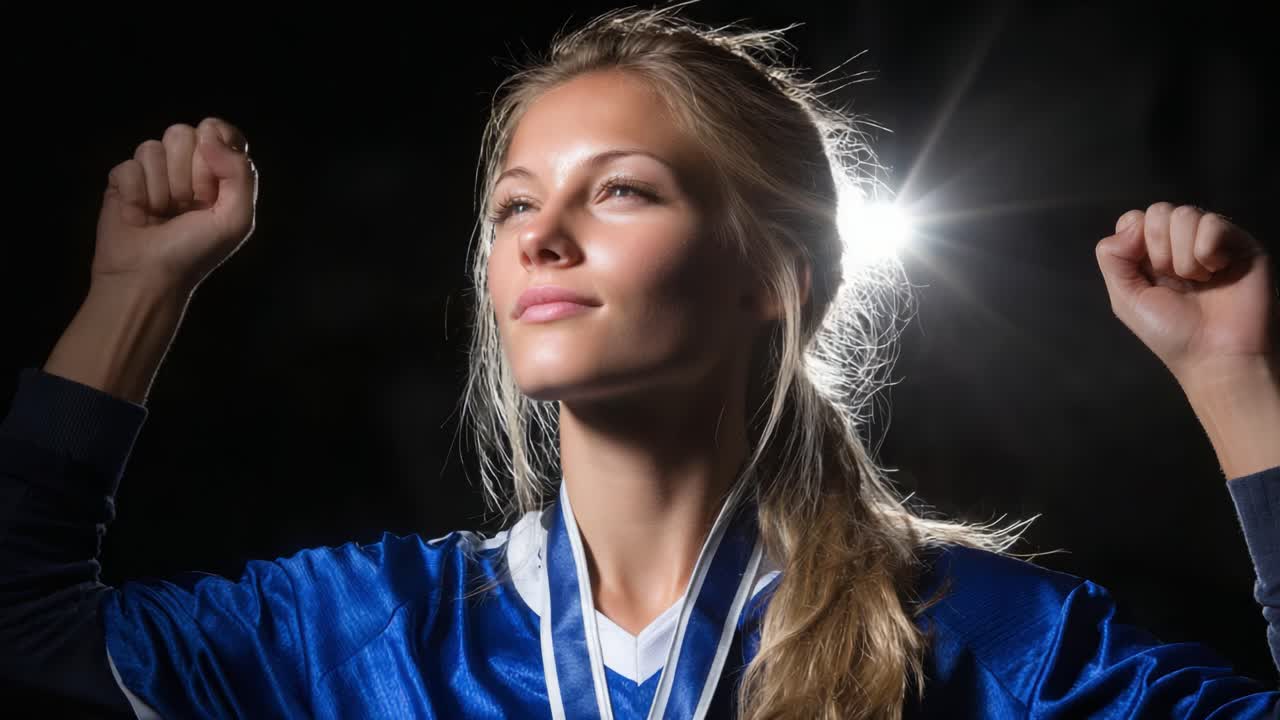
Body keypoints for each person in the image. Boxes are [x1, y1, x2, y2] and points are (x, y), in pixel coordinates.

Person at [1, 6, 1277, 719]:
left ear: (771, 279)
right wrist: (132, 294)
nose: (540, 235)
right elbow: (27, 638)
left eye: (618, 191)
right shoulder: (369, 635)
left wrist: (1236, 385)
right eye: (511, 207)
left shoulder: (984, 644)